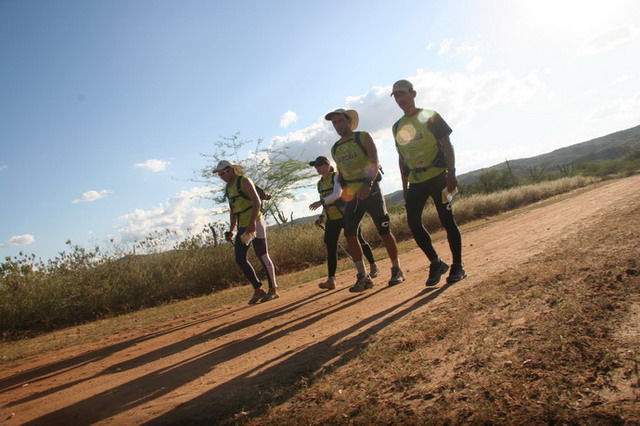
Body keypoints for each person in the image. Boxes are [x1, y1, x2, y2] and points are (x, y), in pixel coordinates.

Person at [390, 79, 466, 286]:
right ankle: (436, 262)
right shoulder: (397, 126)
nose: (400, 99)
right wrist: (404, 186)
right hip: (416, 180)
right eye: (396, 96)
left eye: (402, 94)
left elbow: (447, 144)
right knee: (414, 223)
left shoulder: (430, 116)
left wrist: (452, 173)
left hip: (439, 176)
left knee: (447, 220)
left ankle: (458, 265)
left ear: (413, 94)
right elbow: (402, 157)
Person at [325, 108, 405, 292]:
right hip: (352, 195)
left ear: (348, 121)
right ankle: (363, 277)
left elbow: (374, 161)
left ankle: (397, 269)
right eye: (334, 123)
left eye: (340, 121)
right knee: (350, 234)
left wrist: (368, 183)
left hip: (371, 190)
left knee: (384, 230)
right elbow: (341, 171)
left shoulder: (362, 137)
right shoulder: (335, 148)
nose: (337, 125)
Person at [308, 155, 379, 290]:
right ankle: (331, 279)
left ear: (328, 164)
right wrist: (322, 216)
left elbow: (337, 194)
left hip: (346, 215)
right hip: (332, 218)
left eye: (320, 164)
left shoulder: (336, 177)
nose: (317, 168)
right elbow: (325, 199)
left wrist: (321, 202)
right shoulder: (320, 183)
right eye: (316, 166)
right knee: (330, 247)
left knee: (358, 239)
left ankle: (373, 265)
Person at [213, 160, 280, 304]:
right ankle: (258, 289)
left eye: (222, 173)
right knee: (240, 258)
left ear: (230, 170)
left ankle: (273, 289)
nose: (221, 177)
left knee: (262, 254)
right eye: (219, 175)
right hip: (244, 225)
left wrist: (252, 224)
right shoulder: (228, 188)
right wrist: (231, 230)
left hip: (256, 222)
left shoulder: (244, 181)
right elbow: (233, 210)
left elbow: (257, 201)